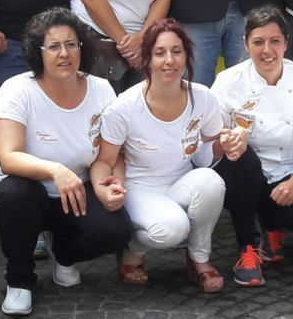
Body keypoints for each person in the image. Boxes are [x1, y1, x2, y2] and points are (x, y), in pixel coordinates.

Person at [0, 7, 132, 316]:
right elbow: (8, 156)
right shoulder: (17, 90)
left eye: (71, 44)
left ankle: (65, 256)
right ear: (37, 51)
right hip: (28, 189)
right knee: (15, 195)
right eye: (53, 46)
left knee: (116, 229)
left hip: (78, 190)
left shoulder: (101, 89)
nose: (64, 53)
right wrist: (55, 170)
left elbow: (108, 154)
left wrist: (109, 184)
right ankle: (20, 280)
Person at [91, 18, 237, 293]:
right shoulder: (123, 108)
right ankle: (133, 248)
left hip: (180, 182)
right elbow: (104, 161)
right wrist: (104, 189)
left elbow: (206, 155)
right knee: (172, 229)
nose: (169, 60)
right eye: (160, 53)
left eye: (176, 51)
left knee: (211, 182)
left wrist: (225, 143)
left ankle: (199, 260)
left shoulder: (203, 97)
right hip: (139, 188)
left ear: (187, 55)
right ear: (147, 59)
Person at [211, 5, 293, 287]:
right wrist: (228, 141)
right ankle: (247, 248)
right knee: (242, 160)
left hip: (289, 173)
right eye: (258, 42)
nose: (267, 50)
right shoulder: (228, 82)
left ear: (286, 43)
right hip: (244, 177)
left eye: (275, 41)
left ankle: (272, 223)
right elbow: (212, 140)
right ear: (245, 44)